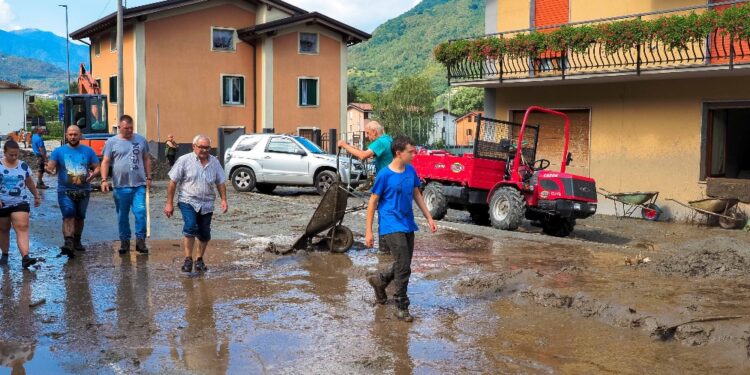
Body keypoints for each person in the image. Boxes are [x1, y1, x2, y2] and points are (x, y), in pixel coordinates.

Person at [364, 135, 437, 322]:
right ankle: (401, 306)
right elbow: (372, 203)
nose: (414, 154)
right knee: (404, 267)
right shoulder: (384, 175)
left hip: (407, 223)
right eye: (410, 152)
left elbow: (416, 194)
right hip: (390, 224)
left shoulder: (410, 171)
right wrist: (369, 231)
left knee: (402, 264)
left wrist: (429, 218)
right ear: (398, 153)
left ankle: (379, 281)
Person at [164, 135, 228, 273]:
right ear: (194, 147)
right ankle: (188, 259)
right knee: (191, 226)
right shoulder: (184, 160)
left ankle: (199, 260)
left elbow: (220, 182)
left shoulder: (215, 162)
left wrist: (223, 199)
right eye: (201, 147)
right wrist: (169, 203)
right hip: (188, 200)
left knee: (204, 233)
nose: (204, 150)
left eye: (207, 147)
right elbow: (172, 182)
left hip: (207, 203)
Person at [101, 115, 152, 255]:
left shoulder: (141, 140)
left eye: (131, 128)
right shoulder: (112, 142)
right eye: (126, 128)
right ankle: (124, 242)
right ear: (119, 127)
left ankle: (140, 241)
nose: (129, 131)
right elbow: (105, 161)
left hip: (139, 185)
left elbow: (146, 159)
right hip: (120, 186)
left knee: (140, 213)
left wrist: (149, 177)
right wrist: (104, 180)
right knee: (122, 215)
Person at [47, 125, 101, 257]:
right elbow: (51, 166)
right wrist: (49, 169)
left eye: (75, 134)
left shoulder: (88, 151)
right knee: (68, 214)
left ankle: (77, 240)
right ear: (66, 135)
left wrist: (94, 174)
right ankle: (68, 242)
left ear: (80, 135)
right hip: (65, 190)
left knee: (80, 216)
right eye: (70, 134)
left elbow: (97, 167)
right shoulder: (58, 151)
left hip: (84, 190)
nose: (73, 137)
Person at [0, 141, 42, 269]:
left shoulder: (23, 166)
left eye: (16, 155)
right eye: (11, 155)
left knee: (22, 227)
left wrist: (36, 195)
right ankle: (5, 254)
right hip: (3, 203)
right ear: (4, 152)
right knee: (3, 229)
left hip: (20, 202)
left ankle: (25, 257)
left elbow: (29, 182)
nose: (13, 157)